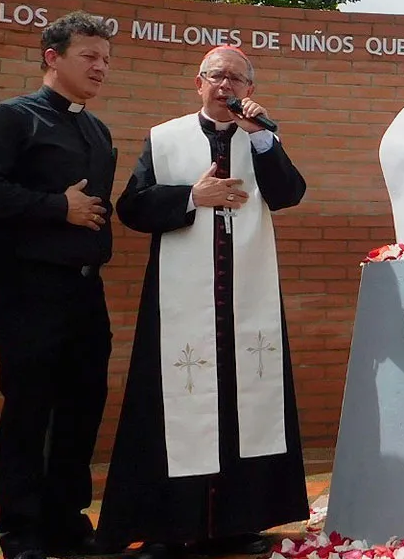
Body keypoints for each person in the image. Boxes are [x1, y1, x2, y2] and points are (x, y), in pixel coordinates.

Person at [95, 45, 308, 559]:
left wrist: (264, 141)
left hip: (244, 301)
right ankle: (167, 528)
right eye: (216, 75)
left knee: (245, 404)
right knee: (172, 405)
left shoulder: (261, 141)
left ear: (249, 92)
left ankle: (238, 523)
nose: (225, 85)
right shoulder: (164, 138)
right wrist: (193, 198)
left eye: (236, 79)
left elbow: (289, 194)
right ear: (198, 82)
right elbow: (132, 207)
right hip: (180, 306)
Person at [0, 11, 117, 559]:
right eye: (88, 57)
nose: (100, 68)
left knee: (82, 405)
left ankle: (67, 521)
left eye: (105, 59)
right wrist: (58, 207)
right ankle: (21, 532)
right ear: (53, 57)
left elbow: (96, 208)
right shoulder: (11, 118)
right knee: (29, 409)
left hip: (84, 290)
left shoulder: (96, 129)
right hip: (26, 287)